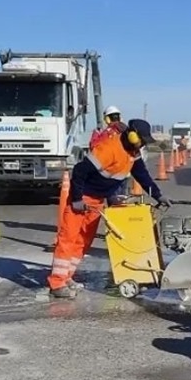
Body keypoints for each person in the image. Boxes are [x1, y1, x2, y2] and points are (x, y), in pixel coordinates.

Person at [46, 118, 173, 298]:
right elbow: (80, 171)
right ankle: (57, 283)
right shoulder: (109, 149)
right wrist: (77, 198)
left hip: (96, 201)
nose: (143, 144)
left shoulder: (133, 153)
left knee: (82, 242)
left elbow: (142, 175)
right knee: (68, 239)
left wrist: (158, 195)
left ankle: (67, 277)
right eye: (142, 140)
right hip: (82, 199)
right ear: (132, 135)